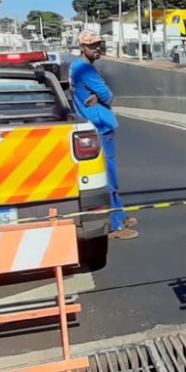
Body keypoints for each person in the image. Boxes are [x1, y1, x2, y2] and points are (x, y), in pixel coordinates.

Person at [70, 30, 138, 240]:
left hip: (93, 125)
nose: (96, 48)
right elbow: (108, 96)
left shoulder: (75, 67)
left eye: (98, 44)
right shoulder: (86, 70)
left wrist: (96, 97)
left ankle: (120, 214)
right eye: (91, 45)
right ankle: (116, 225)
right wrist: (100, 99)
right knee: (109, 178)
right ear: (82, 47)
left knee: (110, 177)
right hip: (100, 127)